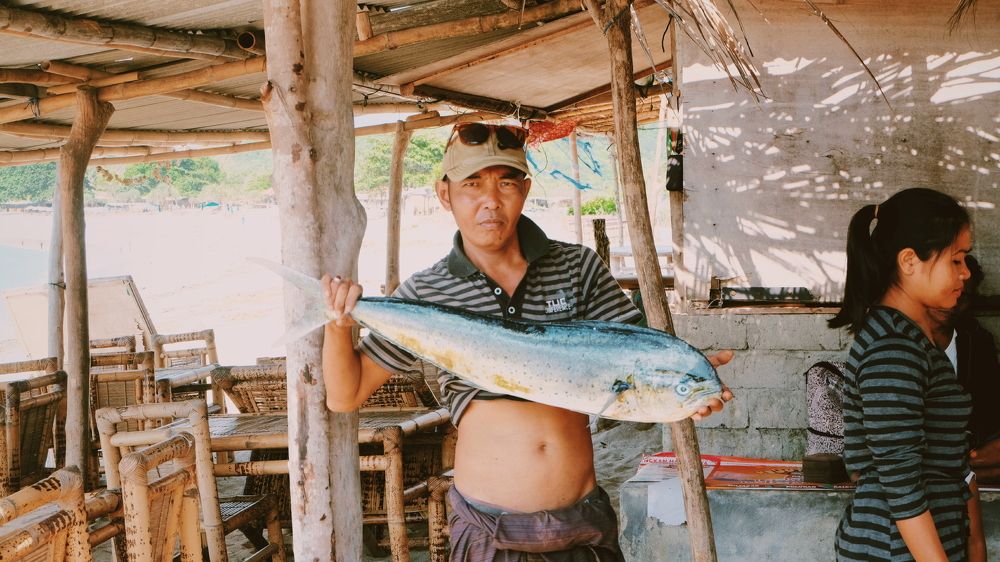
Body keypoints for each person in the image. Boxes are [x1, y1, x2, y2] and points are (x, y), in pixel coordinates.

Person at [321, 122, 733, 561]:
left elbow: (630, 355)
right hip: (488, 529)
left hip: (581, 524)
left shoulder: (578, 267)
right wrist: (337, 324)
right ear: (445, 194)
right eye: (472, 184)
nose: (490, 201)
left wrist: (679, 379)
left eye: (506, 183)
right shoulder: (427, 292)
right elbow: (346, 396)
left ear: (525, 188)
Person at [829, 188, 985, 562]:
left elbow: (947, 466)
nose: (966, 273)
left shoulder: (909, 340)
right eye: (957, 259)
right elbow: (902, 487)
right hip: (893, 551)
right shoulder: (893, 348)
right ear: (909, 261)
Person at [929, 255, 1000, 484]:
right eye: (948, 291)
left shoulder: (978, 342)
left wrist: (971, 443)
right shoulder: (908, 339)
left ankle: (958, 473)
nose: (954, 303)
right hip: (923, 449)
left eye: (963, 296)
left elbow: (990, 409)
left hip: (969, 448)